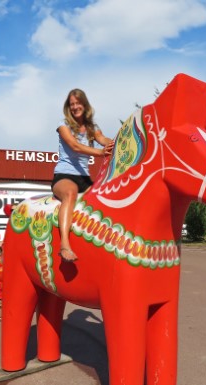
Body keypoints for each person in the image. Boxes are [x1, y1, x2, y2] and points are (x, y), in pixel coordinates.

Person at [52, 88, 114, 262]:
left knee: (106, 201)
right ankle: (64, 245)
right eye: (71, 104)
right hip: (64, 175)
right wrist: (101, 153)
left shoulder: (92, 128)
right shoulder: (63, 124)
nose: (75, 107)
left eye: (78, 103)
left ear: (84, 105)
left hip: (85, 179)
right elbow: (75, 146)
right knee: (70, 193)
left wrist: (122, 142)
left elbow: (105, 141)